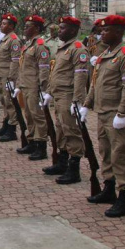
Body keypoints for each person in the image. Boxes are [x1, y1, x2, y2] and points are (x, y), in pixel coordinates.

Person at [82, 15, 125, 218]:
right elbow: (95, 83)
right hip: (103, 112)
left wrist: (122, 113)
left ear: (118, 32)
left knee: (122, 155)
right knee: (106, 152)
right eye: (101, 31)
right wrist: (86, 105)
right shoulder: (105, 54)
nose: (102, 34)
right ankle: (109, 189)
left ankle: (124, 198)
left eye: (106, 30)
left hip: (117, 114)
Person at [45, 16, 90, 184]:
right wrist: (49, 91)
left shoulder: (78, 49)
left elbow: (81, 76)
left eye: (63, 28)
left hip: (68, 95)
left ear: (73, 30)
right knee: (61, 130)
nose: (59, 31)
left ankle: (74, 169)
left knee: (71, 131)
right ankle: (62, 163)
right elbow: (55, 72)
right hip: (58, 95)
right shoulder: (63, 48)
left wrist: (77, 100)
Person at [15, 15, 51, 160]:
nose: (25, 28)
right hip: (26, 85)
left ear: (36, 28)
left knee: (38, 117)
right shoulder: (29, 45)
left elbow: (44, 69)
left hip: (35, 87)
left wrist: (43, 88)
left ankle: (41, 146)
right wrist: (18, 84)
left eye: (28, 26)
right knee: (29, 115)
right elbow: (22, 67)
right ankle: (32, 141)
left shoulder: (40, 46)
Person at [0, 13, 21, 142]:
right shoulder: (5, 39)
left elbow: (15, 61)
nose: (1, 26)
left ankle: (12, 130)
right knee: (4, 102)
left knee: (10, 103)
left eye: (4, 24)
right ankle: (5, 124)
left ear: (11, 26)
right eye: (2, 23)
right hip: (1, 75)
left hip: (7, 77)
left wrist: (11, 79)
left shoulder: (14, 40)